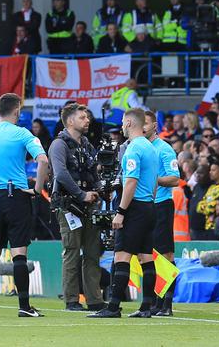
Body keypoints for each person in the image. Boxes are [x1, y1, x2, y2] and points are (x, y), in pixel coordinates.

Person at [0, 93, 49, 318]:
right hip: (16, 197)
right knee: (19, 254)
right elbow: (42, 160)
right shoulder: (22, 133)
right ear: (17, 111)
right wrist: (37, 188)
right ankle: (24, 307)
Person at [89, 108, 160, 319]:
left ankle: (113, 307)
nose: (121, 126)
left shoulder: (133, 149)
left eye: (122, 122)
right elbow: (155, 181)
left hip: (134, 208)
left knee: (121, 257)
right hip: (149, 206)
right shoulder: (150, 148)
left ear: (129, 123)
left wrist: (121, 211)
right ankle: (147, 306)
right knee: (146, 257)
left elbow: (130, 183)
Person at [49, 103, 104, 311]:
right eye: (82, 117)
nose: (87, 120)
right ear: (70, 121)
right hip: (68, 205)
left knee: (92, 252)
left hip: (89, 204)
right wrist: (81, 194)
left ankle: (94, 299)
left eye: (87, 117)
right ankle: (71, 300)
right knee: (72, 251)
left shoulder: (86, 144)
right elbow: (61, 173)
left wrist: (99, 188)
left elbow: (92, 171)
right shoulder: (59, 144)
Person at [145, 111, 181, 316]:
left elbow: (175, 179)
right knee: (149, 255)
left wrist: (153, 179)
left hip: (161, 205)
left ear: (155, 126)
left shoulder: (164, 150)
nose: (143, 127)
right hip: (145, 206)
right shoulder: (139, 148)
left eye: (147, 123)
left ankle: (167, 304)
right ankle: (155, 301)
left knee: (165, 254)